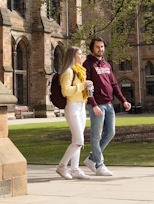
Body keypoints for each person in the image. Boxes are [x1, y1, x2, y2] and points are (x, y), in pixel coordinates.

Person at [83, 37, 131, 176]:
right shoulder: (88, 64)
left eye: (102, 47)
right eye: (97, 47)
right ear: (92, 48)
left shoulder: (107, 65)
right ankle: (99, 165)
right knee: (96, 136)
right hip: (97, 105)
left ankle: (92, 158)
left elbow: (114, 85)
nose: (100, 49)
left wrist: (123, 101)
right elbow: (88, 87)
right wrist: (93, 104)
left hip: (109, 104)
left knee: (110, 133)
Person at [55, 46, 93, 180]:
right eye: (80, 54)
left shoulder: (80, 72)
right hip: (72, 107)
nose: (82, 56)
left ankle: (75, 169)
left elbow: (79, 89)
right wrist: (81, 86)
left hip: (81, 106)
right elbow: (65, 91)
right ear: (73, 56)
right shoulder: (69, 72)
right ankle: (62, 166)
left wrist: (87, 87)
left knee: (77, 140)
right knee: (79, 140)